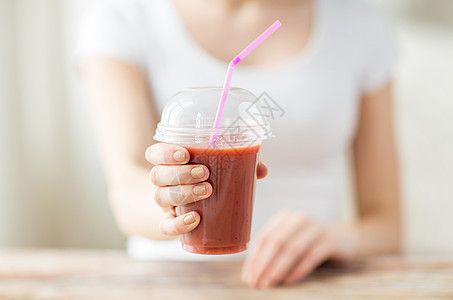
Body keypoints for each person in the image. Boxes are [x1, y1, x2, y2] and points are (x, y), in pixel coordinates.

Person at [77, 0, 401, 288]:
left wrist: (338, 238)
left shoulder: (358, 22)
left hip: (304, 282)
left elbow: (387, 226)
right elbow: (126, 189)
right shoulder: (123, 17)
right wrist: (169, 203)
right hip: (171, 283)